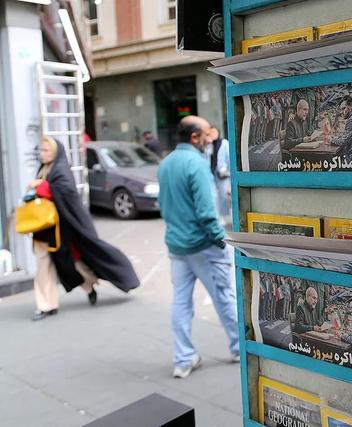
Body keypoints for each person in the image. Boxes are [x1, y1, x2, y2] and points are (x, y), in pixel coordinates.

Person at [157, 115, 239, 378]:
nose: (210, 138)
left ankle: (183, 359)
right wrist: (222, 241)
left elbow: (163, 205)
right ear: (194, 137)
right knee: (224, 296)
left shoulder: (166, 163)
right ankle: (239, 347)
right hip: (204, 246)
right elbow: (207, 213)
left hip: (177, 246)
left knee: (181, 303)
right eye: (206, 134)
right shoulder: (197, 164)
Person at [28, 136, 140, 321]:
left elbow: (64, 192)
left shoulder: (60, 170)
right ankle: (46, 305)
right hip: (44, 229)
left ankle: (88, 286)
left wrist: (42, 187)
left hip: (62, 229)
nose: (43, 153)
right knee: (44, 267)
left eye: (47, 150)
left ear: (55, 152)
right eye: (42, 150)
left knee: (73, 263)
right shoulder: (44, 169)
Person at [330, 96, 352, 161]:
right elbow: (346, 136)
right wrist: (336, 138)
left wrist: (331, 140)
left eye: (343, 108)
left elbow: (343, 142)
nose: (341, 112)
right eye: (341, 109)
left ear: (350, 107)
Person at [207, 126, 231, 222]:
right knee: (214, 195)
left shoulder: (224, 143)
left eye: (214, 132)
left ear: (218, 132)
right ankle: (216, 216)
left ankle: (224, 216)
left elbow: (229, 158)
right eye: (211, 132)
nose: (213, 134)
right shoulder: (208, 144)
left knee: (223, 195)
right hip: (211, 173)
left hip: (223, 173)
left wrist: (228, 171)